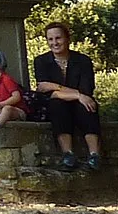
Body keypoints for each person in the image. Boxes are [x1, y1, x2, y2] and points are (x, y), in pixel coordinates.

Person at [31, 20, 102, 169]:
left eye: (58, 38)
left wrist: (75, 95)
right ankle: (68, 154)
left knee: (87, 106)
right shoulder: (41, 61)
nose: (54, 43)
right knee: (57, 106)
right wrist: (76, 94)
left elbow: (86, 90)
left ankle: (94, 155)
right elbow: (46, 91)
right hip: (57, 103)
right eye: (50, 39)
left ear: (67, 39)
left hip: (80, 102)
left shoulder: (83, 61)